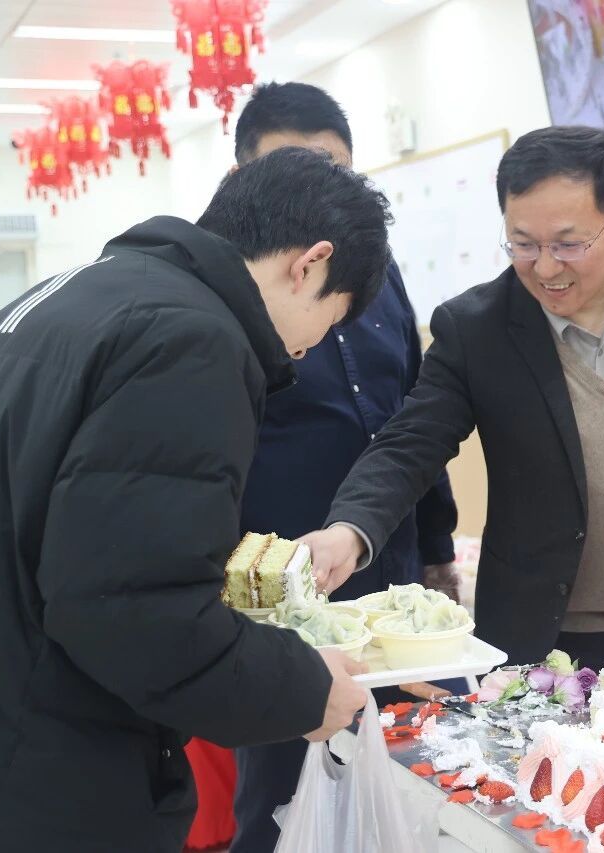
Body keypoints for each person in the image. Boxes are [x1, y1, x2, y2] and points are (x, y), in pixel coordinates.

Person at [0, 147, 385, 852]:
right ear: (310, 265)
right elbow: (132, 608)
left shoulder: (68, 294)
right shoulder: (193, 340)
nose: (307, 350)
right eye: (329, 321)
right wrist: (306, 690)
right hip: (47, 768)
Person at [303, 125, 604, 673]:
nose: (546, 267)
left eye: (568, 244)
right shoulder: (475, 328)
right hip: (544, 637)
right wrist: (348, 530)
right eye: (523, 244)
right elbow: (411, 443)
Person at [224, 81, 461, 853]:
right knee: (284, 800)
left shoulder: (377, 274)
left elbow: (414, 419)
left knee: (422, 786)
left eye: (337, 171)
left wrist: (438, 550)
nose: (321, 194)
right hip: (284, 596)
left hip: (390, 578)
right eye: (298, 170)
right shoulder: (227, 305)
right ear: (245, 180)